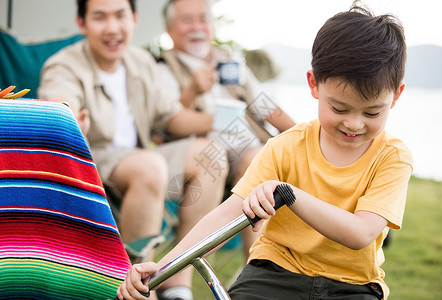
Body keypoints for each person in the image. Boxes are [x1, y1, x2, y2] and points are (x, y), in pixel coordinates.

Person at [117, 2, 413, 300]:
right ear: (314, 85)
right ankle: (177, 282)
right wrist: (163, 267)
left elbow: (361, 234)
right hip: (273, 266)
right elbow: (224, 211)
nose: (354, 124)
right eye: (339, 108)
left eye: (372, 113)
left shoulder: (230, 63)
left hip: (352, 284)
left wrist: (290, 187)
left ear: (396, 96)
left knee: (251, 159)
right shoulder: (161, 68)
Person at [38, 1, 229, 299]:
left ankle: (177, 280)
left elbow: (172, 117)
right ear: (82, 23)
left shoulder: (140, 62)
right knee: (149, 165)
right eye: (100, 17)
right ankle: (139, 285)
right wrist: (69, 116)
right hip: (90, 159)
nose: (112, 28)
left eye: (120, 16)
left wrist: (225, 122)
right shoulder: (63, 64)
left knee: (211, 155)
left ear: (135, 19)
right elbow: (59, 99)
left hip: (139, 158)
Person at [157, 0, 296, 260]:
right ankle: (255, 263)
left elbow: (266, 106)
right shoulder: (163, 69)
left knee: (260, 157)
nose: (197, 27)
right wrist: (192, 91)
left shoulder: (229, 62)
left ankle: (256, 265)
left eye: (203, 19)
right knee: (251, 162)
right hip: (202, 158)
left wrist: (306, 135)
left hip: (249, 154)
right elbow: (163, 126)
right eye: (187, 20)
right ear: (169, 28)